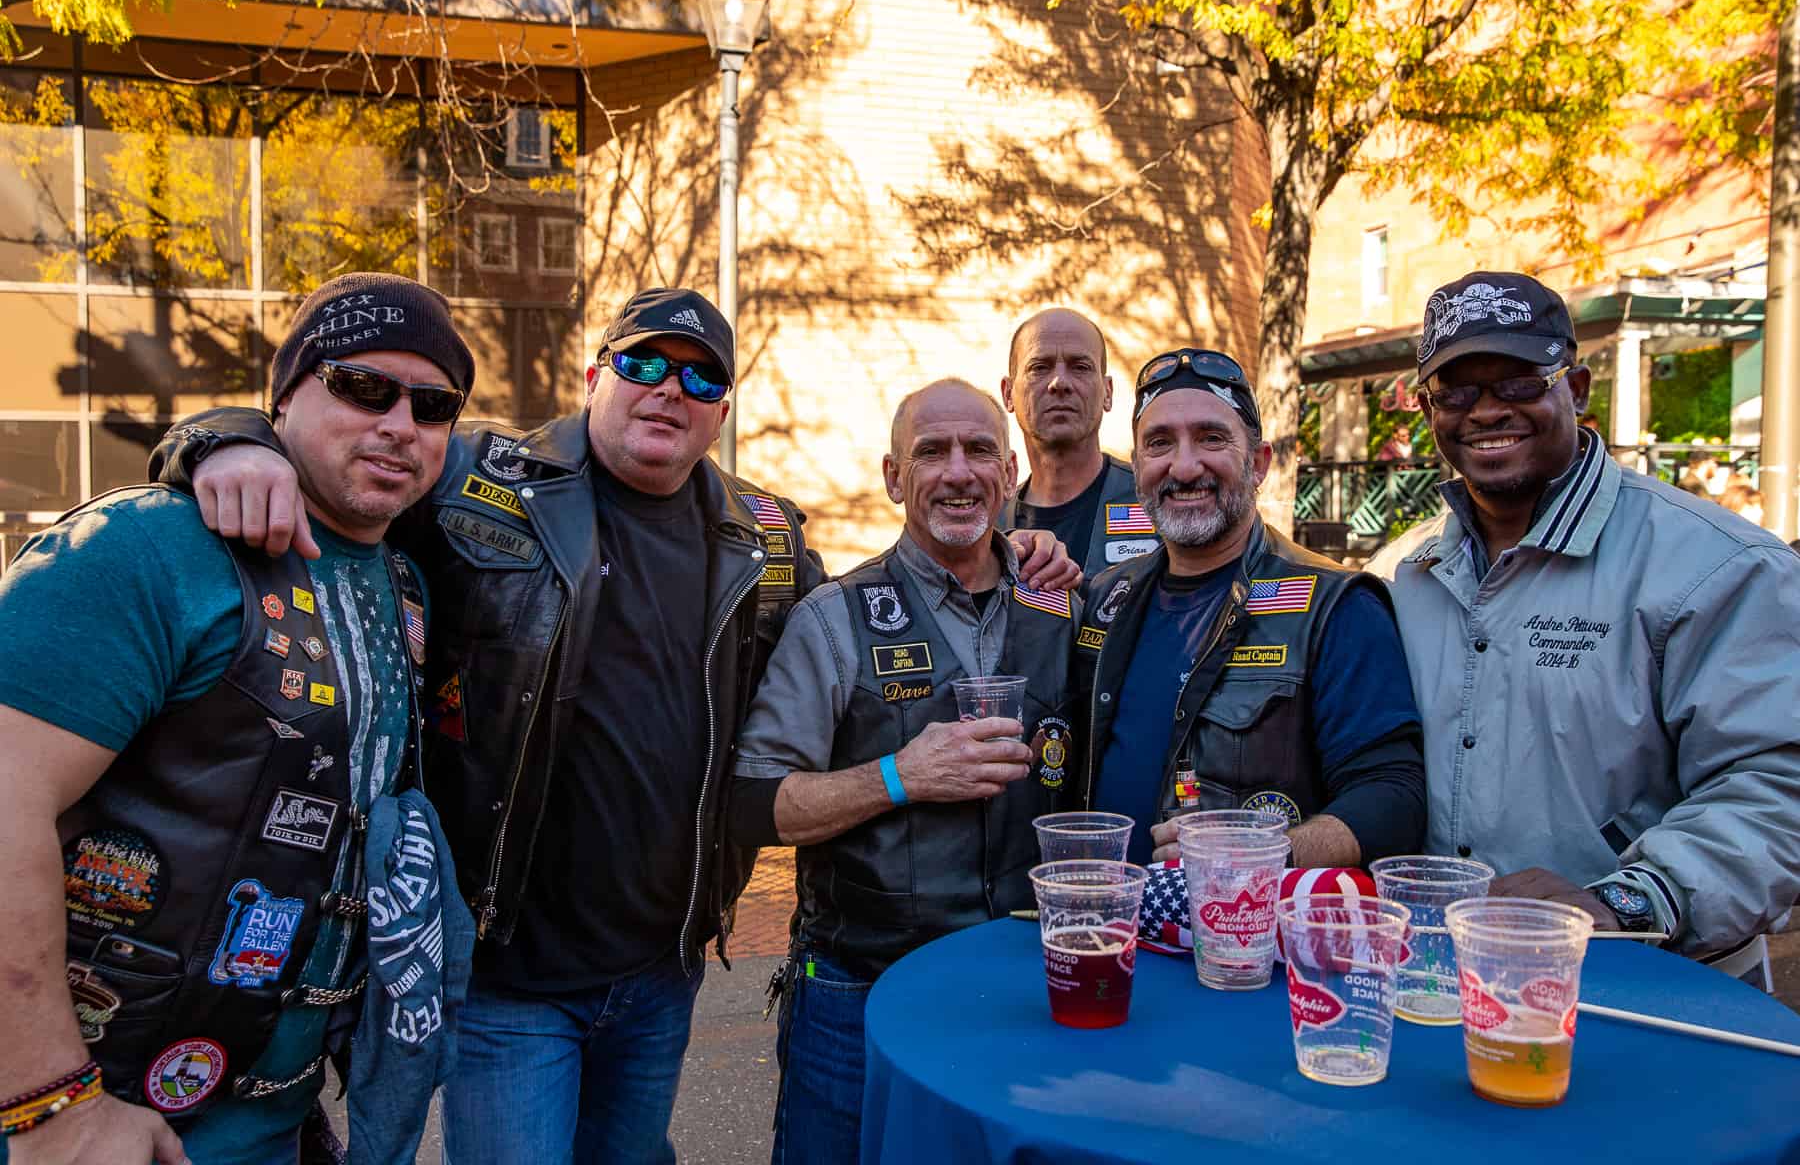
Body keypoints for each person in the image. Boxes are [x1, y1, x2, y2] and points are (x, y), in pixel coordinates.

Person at [148, 291, 1077, 1163]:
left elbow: (882, 607)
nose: (671, 388)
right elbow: (354, 459)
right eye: (644, 364)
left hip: (661, 968)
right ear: (596, 376)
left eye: (701, 377)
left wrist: (1018, 546)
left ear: (721, 413)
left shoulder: (768, 538)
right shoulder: (480, 480)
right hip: (512, 969)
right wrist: (228, 441)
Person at [0, 272, 470, 1164]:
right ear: (283, 397)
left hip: (272, 1121)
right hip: (92, 1123)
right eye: (362, 386)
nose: (400, 424)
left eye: (433, 404)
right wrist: (52, 1105)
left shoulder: (404, 579)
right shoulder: (147, 545)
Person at [1370, 271, 1800, 981]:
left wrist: (1626, 903)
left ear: (1576, 389)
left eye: (1518, 384)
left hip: (1651, 982)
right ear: (1428, 409)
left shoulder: (1720, 565)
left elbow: (1776, 788)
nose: (1486, 411)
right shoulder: (1402, 573)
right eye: (1456, 392)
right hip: (1446, 980)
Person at [727, 379, 1081, 1164]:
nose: (958, 472)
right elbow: (753, 802)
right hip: (859, 991)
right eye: (931, 452)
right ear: (894, 477)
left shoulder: (1063, 606)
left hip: (1021, 989)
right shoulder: (834, 617)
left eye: (980, 450)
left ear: (1009, 472)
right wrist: (899, 776)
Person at [1073, 348, 1427, 869]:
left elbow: (1394, 797)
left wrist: (1262, 853)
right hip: (1104, 908)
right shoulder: (1106, 596)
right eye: (1160, 443)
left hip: (1243, 918)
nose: (1184, 466)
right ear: (1139, 464)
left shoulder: (1336, 605)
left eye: (1211, 439)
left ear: (1258, 463)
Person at [998, 308, 1160, 573]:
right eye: (1039, 367)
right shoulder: (989, 529)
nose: (1059, 382)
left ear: (1107, 392)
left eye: (1080, 367)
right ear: (1008, 394)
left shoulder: (1156, 501)